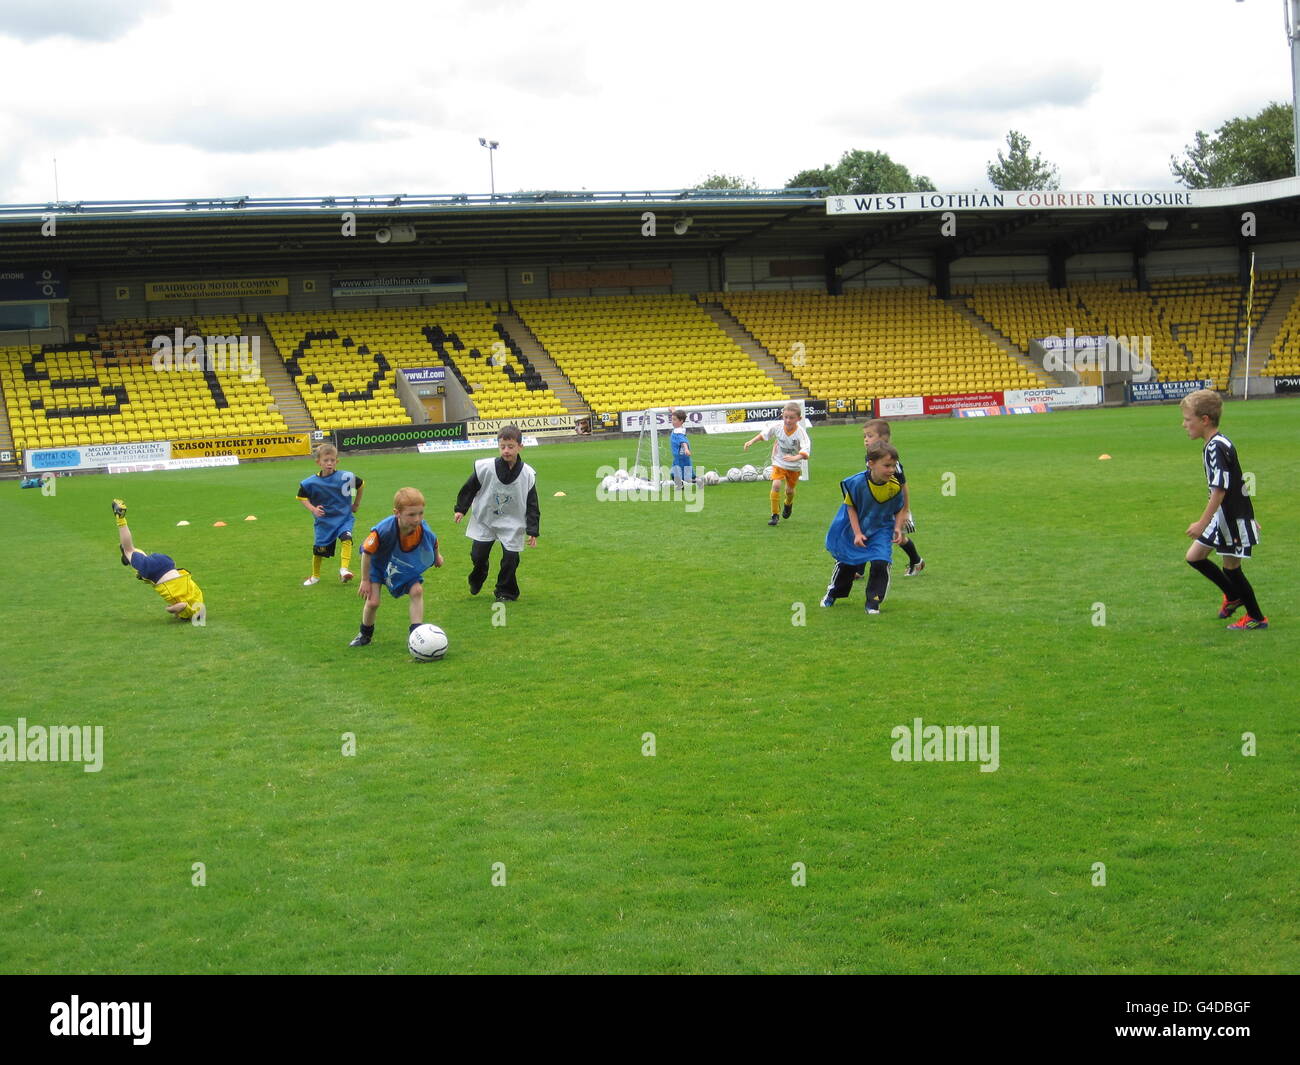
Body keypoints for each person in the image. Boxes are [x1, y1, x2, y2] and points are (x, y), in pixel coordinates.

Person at [1180, 390, 1267, 630]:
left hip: (1229, 519)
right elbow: (1239, 482)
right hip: (1225, 517)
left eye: (1188, 420)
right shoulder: (1220, 442)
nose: (1184, 424)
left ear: (1205, 419)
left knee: (1232, 569)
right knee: (1194, 557)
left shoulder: (1215, 448)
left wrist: (1201, 523)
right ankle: (1233, 595)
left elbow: (1221, 489)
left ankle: (1256, 618)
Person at [454, 424, 540, 602]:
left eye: (511, 446)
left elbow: (532, 504)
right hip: (485, 519)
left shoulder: (527, 474)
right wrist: (461, 509)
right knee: (477, 556)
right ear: (498, 446)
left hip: (512, 522)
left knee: (511, 559)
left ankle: (505, 591)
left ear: (520, 447)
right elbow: (469, 488)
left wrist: (532, 530)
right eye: (503, 446)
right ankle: (478, 575)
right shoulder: (485, 468)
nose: (506, 451)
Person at [350, 487, 442, 647]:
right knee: (373, 602)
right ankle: (364, 634)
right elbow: (367, 552)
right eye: (411, 514)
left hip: (402, 565)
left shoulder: (422, 528)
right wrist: (365, 580)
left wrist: (437, 556)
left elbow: (433, 541)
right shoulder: (383, 530)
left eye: (420, 513)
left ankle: (417, 634)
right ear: (397, 513)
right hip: (378, 566)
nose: (417, 519)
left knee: (417, 591)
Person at [820, 443, 906, 615]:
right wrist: (857, 533)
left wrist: (897, 527)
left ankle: (873, 602)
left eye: (893, 465)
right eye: (887, 465)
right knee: (848, 563)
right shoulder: (856, 483)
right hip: (855, 527)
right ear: (871, 463)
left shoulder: (895, 486)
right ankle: (833, 593)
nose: (891, 470)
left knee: (881, 561)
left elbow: (899, 508)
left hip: (881, 529)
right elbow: (850, 508)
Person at [111, 498, 205, 620]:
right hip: (157, 574)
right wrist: (170, 610)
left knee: (141, 558)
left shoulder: (199, 600)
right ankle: (120, 518)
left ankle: (132, 559)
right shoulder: (192, 613)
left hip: (168, 563)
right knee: (129, 549)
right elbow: (181, 605)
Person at [862, 419, 925, 576]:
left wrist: (905, 510)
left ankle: (916, 561)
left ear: (883, 439)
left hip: (893, 505)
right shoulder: (870, 457)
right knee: (867, 530)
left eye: (869, 436)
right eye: (864, 436)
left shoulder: (891, 461)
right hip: (879, 503)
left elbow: (903, 485)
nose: (865, 439)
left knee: (898, 537)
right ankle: (859, 569)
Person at [297, 443, 364, 586]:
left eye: (332, 460)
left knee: (347, 538)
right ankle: (315, 576)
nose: (329, 463)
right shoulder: (310, 482)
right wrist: (313, 509)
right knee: (319, 550)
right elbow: (302, 497)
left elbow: (360, 485)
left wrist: (355, 504)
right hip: (324, 522)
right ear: (318, 462)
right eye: (326, 461)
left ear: (337, 461)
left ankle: (344, 570)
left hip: (344, 518)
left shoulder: (346, 477)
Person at [743, 401, 810, 526]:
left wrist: (795, 457)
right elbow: (764, 435)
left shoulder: (801, 433)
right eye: (786, 417)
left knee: (789, 491)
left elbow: (805, 450)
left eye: (791, 418)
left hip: (794, 465)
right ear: (782, 416)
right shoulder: (777, 427)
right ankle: (774, 515)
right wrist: (751, 441)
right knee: (776, 485)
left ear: (799, 419)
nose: (788, 420)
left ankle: (788, 504)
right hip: (779, 461)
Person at [668, 409, 695, 485]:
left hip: (680, 455)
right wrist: (673, 411)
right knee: (686, 467)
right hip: (682, 455)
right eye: (672, 419)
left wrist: (686, 449)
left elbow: (683, 442)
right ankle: (691, 479)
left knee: (675, 472)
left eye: (674, 420)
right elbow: (679, 417)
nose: (672, 421)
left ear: (681, 421)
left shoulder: (678, 432)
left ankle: (680, 485)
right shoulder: (680, 428)